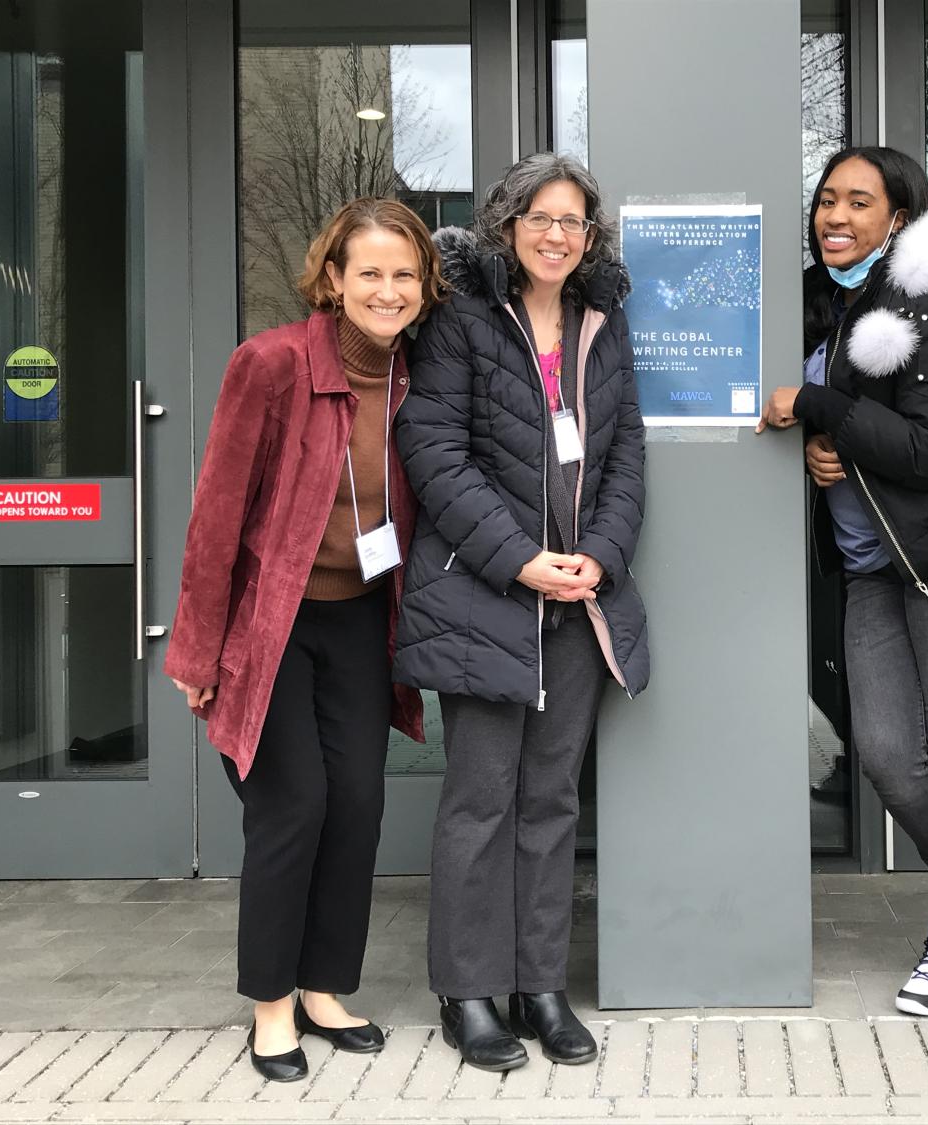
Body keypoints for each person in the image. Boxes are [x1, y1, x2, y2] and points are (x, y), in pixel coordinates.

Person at [165, 198, 443, 1080]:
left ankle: (326, 986)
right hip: (272, 622)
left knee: (359, 800)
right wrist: (198, 652)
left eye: (405, 275)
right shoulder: (273, 363)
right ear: (332, 279)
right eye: (370, 272)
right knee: (294, 806)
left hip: (363, 617)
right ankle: (271, 1005)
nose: (388, 290)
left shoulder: (414, 377)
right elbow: (217, 514)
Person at [394, 153, 649, 1073]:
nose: (556, 234)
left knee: (550, 801)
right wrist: (521, 560)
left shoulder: (600, 320)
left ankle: (540, 985)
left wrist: (600, 558)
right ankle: (470, 992)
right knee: (479, 801)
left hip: (580, 601)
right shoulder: (462, 318)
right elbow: (433, 449)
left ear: (591, 237)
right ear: (507, 224)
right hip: (483, 596)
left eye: (574, 221)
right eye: (541, 217)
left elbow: (625, 456)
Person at [758, 146, 928, 1016]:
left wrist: (821, 412)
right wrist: (820, 443)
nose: (834, 215)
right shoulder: (828, 307)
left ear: (898, 219)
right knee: (886, 757)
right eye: (826, 199)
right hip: (872, 570)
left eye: (858, 202)